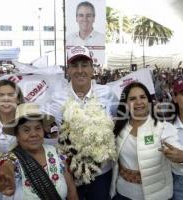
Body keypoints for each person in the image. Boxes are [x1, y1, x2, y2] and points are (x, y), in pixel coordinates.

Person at [41, 45, 118, 200]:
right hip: (69, 173)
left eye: (84, 65)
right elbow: (44, 129)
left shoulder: (107, 94)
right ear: (68, 70)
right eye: (74, 66)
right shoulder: (56, 98)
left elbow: (118, 121)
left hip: (101, 174)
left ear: (92, 69)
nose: (80, 70)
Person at [110, 82, 183, 200]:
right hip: (123, 194)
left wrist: (181, 156)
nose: (139, 102)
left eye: (143, 97)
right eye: (133, 98)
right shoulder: (118, 128)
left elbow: (178, 149)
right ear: (125, 104)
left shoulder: (163, 127)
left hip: (157, 195)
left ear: (149, 101)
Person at [0, 103, 79, 200]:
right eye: (26, 130)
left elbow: (71, 191)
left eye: (38, 128)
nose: (33, 134)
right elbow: (7, 168)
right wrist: (8, 182)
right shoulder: (10, 159)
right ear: (17, 135)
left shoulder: (57, 153)